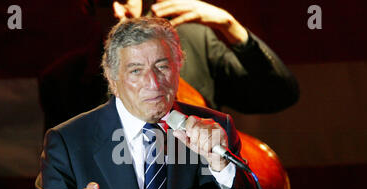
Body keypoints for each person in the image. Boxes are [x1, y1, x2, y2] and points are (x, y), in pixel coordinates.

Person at [26, 17, 269, 189]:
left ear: (179, 66)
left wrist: (221, 166)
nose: (153, 83)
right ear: (112, 79)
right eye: (136, 70)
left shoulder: (213, 128)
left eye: (162, 67)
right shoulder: (70, 140)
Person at [39, 0, 299, 132]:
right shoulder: (62, 80)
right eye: (107, 2)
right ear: (88, 7)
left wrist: (229, 26)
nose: (119, 11)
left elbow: (279, 93)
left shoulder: (198, 43)